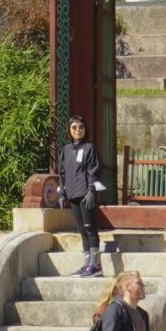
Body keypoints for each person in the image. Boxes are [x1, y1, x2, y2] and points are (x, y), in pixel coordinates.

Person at [58, 113, 106, 277]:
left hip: (86, 194)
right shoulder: (66, 150)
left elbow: (94, 169)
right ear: (69, 130)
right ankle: (86, 263)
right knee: (81, 230)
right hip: (73, 194)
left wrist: (92, 190)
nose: (78, 130)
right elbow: (62, 173)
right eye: (74, 127)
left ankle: (95, 264)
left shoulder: (89, 148)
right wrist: (61, 192)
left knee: (90, 228)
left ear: (85, 129)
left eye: (81, 127)